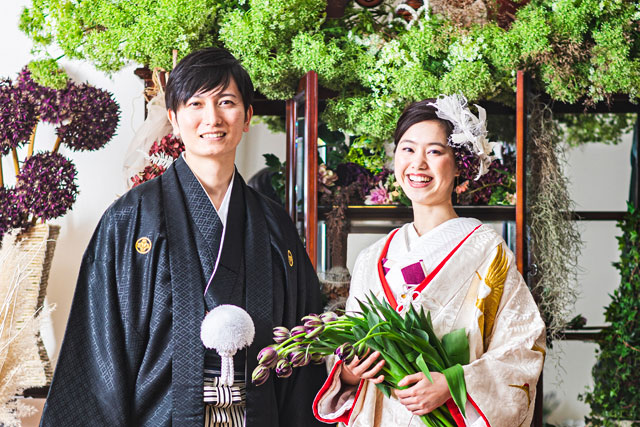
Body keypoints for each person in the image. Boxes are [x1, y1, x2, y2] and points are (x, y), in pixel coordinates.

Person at [41, 47, 326, 427]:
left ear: (247, 118)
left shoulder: (274, 223)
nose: (212, 118)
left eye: (226, 102)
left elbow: (302, 346)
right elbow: (98, 350)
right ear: (174, 120)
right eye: (196, 104)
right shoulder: (131, 219)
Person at [313, 95, 546, 426]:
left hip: (452, 417)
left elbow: (523, 348)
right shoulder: (372, 259)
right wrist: (350, 373)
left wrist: (452, 383)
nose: (417, 164)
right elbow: (352, 352)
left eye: (434, 151)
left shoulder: (487, 251)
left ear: (459, 164)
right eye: (407, 149)